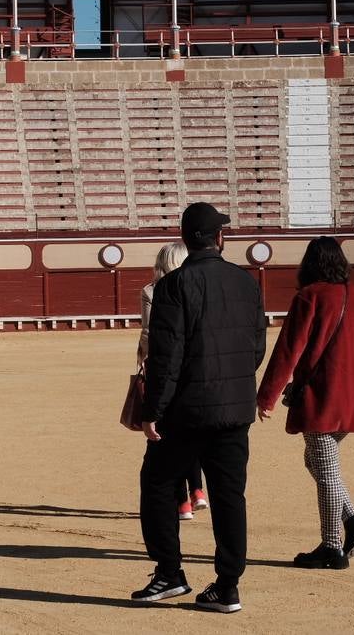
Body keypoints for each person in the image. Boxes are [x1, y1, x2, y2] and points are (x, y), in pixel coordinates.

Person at [131, 202, 267, 613]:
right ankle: (227, 586)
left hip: (186, 412)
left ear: (187, 240)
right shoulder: (245, 283)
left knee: (157, 484)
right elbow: (256, 347)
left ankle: (170, 573)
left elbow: (166, 357)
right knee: (230, 496)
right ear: (219, 238)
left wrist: (152, 410)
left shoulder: (174, 285)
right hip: (233, 410)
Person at [256, 236, 354, 570]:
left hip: (320, 395)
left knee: (325, 471)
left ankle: (332, 547)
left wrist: (267, 395)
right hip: (352, 397)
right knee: (316, 462)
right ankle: (352, 519)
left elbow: (289, 349)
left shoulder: (309, 297)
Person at [137, 241, 208, 520]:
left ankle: (182, 503)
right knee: (191, 432)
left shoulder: (150, 291)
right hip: (192, 370)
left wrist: (144, 357)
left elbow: (148, 333)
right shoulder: (195, 286)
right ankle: (198, 490)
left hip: (162, 370)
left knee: (164, 436)